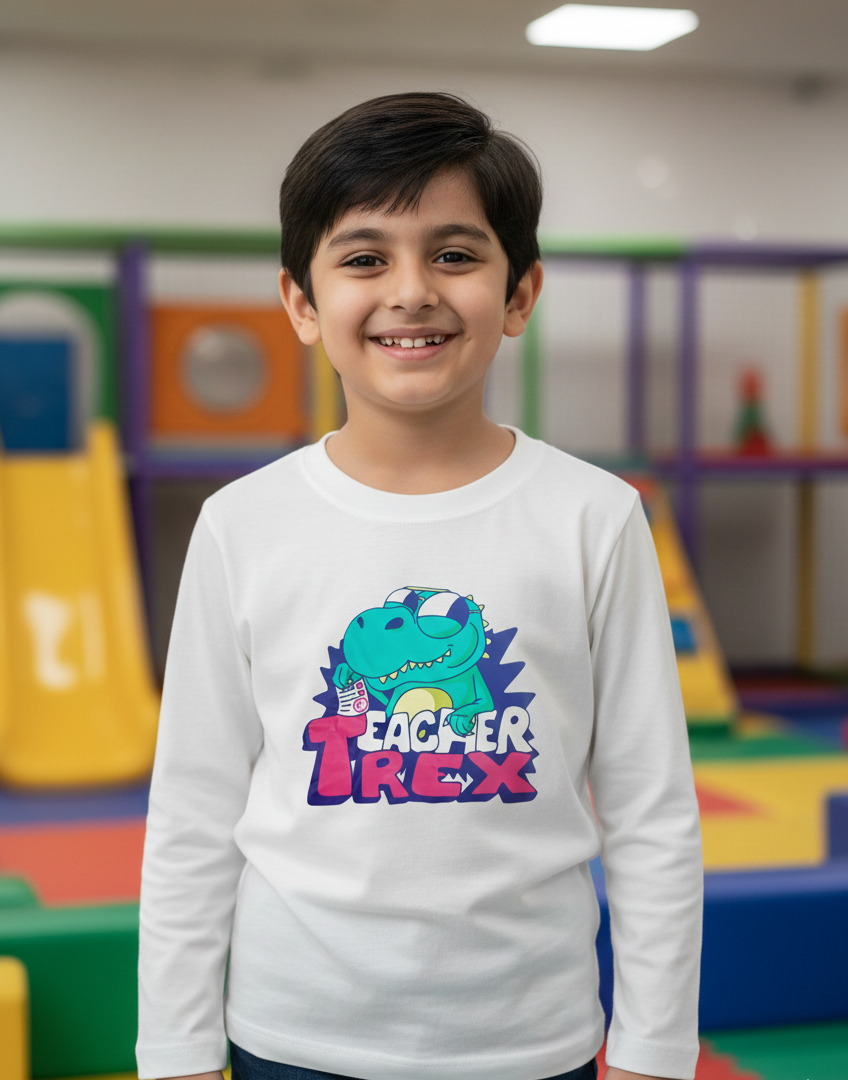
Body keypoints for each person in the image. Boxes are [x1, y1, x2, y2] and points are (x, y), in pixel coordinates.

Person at [136, 92, 703, 1080]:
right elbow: (192, 811)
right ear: (301, 303)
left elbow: (652, 812)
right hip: (293, 1036)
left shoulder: (594, 518)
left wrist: (655, 1048)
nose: (411, 292)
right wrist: (176, 1049)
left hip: (529, 1040)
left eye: (453, 254)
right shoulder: (243, 525)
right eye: (364, 259)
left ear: (519, 294)